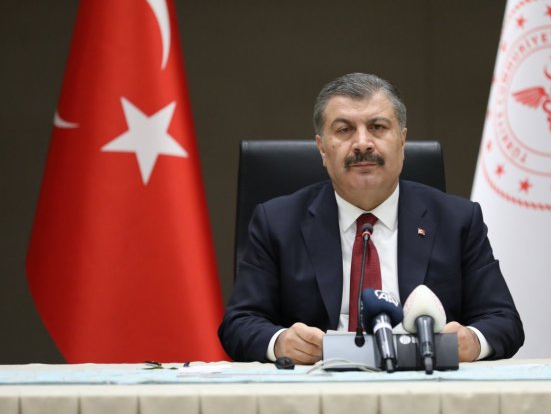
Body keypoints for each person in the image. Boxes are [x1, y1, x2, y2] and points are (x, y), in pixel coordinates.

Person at [218, 73, 523, 364]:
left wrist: (473, 340)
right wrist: (280, 341)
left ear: (402, 141)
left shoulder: (457, 220)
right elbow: (238, 324)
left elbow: (504, 321)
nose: (362, 143)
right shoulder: (277, 222)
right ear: (322, 148)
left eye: (377, 127)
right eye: (344, 130)